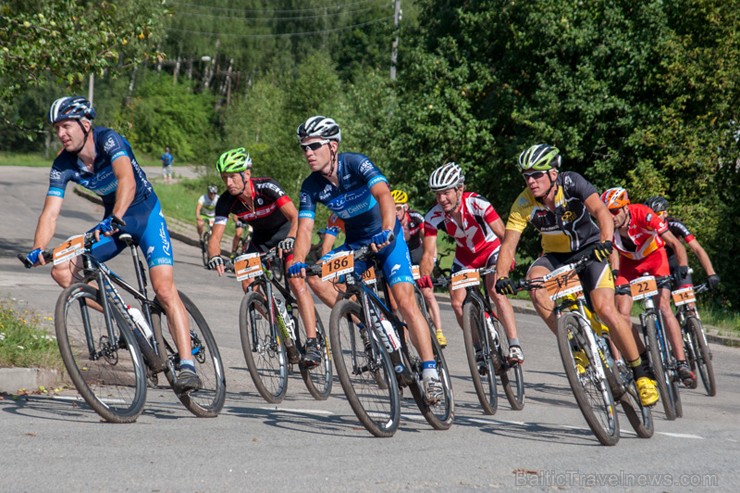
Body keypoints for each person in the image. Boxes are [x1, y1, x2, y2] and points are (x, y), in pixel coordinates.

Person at [24, 96, 201, 391]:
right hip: (113, 223)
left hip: (144, 215)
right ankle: (127, 314)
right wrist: (37, 248)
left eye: (66, 126)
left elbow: (127, 181)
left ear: (85, 124)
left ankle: (187, 365)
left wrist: (116, 217)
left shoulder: (109, 141)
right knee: (62, 271)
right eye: (56, 128)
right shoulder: (63, 163)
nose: (61, 134)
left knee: (164, 289)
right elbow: (51, 211)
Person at [287, 115, 444, 403]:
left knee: (406, 302)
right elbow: (306, 226)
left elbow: (384, 195)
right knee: (314, 275)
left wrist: (387, 229)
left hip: (387, 238)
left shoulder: (355, 163)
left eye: (314, 146)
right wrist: (298, 258)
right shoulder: (311, 185)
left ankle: (431, 373)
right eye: (304, 148)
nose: (308, 153)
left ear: (333, 146)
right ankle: (368, 324)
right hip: (356, 243)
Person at [494, 144, 658, 407]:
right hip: (556, 256)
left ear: (553, 173)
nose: (531, 181)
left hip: (590, 247)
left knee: (606, 309)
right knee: (536, 286)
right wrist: (502, 275)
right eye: (526, 176)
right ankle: (576, 345)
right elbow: (509, 243)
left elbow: (601, 212)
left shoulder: (572, 182)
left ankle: (642, 373)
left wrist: (606, 241)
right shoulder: (523, 203)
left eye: (537, 175)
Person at [205, 147, 322, 367]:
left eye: (232, 176)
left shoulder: (267, 187)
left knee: (296, 282)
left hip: (288, 233)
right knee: (248, 283)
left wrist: (291, 238)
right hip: (261, 240)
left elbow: (295, 216)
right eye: (224, 178)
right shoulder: (226, 201)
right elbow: (215, 236)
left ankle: (313, 344)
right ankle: (280, 323)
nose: (228, 183)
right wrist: (214, 256)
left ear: (246, 174)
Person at [421, 164, 519, 362]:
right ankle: (478, 349)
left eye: (446, 192)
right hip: (465, 258)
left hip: (492, 250)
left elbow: (503, 234)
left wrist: (508, 258)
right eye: (437, 194)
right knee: (457, 302)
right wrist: (425, 276)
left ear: (460, 189)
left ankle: (514, 344)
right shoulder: (433, 216)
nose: (441, 199)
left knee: (494, 291)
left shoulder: (476, 203)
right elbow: (429, 252)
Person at [602, 187, 696, 387]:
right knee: (621, 314)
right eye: (607, 212)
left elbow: (675, 244)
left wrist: (682, 267)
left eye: (615, 211)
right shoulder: (607, 224)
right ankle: (641, 359)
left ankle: (681, 362)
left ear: (626, 208)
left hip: (655, 258)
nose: (611, 216)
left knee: (663, 306)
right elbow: (610, 251)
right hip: (630, 265)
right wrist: (616, 274)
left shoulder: (643, 214)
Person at [392, 189, 448, 348]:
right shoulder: (389, 220)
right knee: (403, 297)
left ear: (405, 208)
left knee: (428, 293)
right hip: (403, 256)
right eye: (393, 207)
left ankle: (439, 331)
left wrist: (432, 260)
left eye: (398, 208)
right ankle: (404, 336)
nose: (395, 212)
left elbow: (428, 239)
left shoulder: (416, 218)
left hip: (418, 254)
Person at [644, 196, 720, 290]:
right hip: (657, 264)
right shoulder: (644, 229)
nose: (654, 218)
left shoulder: (675, 225)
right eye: (651, 215)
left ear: (665, 213)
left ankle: (690, 305)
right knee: (662, 303)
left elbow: (697, 249)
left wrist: (711, 273)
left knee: (688, 299)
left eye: (658, 214)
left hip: (675, 261)